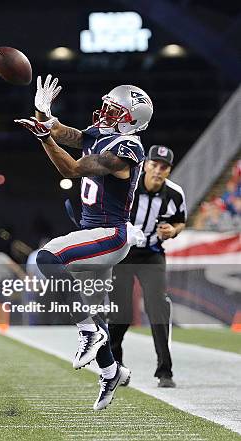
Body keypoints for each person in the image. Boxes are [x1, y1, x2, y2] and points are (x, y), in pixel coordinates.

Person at [15, 75, 152, 410]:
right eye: (108, 106)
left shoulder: (128, 148)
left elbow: (74, 169)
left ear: (130, 121)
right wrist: (44, 114)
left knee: (46, 259)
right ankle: (110, 371)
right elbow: (70, 134)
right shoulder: (103, 136)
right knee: (81, 304)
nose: (105, 113)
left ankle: (91, 334)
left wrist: (46, 139)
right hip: (93, 231)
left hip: (110, 234)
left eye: (114, 111)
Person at [108, 145, 186, 388]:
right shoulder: (127, 187)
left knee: (157, 308)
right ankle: (115, 367)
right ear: (145, 166)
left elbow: (180, 221)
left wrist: (172, 231)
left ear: (169, 171)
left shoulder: (174, 194)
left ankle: (165, 371)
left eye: (163, 167)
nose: (157, 170)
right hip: (123, 254)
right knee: (121, 313)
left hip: (152, 255)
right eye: (154, 165)